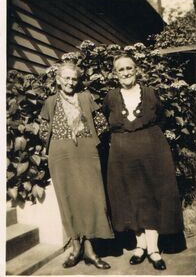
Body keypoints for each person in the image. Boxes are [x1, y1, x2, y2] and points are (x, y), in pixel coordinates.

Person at [102, 54, 184, 270]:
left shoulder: (149, 93)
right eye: (121, 69)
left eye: (129, 68)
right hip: (122, 155)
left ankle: (154, 249)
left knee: (152, 195)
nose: (126, 72)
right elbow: (106, 119)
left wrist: (150, 139)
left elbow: (163, 117)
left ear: (136, 69)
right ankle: (140, 246)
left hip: (152, 152)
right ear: (115, 73)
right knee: (131, 196)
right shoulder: (110, 97)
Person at [39, 62, 114, 269]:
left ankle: (91, 250)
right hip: (60, 154)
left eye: (74, 78)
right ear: (58, 79)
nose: (70, 82)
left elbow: (101, 125)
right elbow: (44, 131)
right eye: (66, 78)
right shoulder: (50, 102)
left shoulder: (86, 98)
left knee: (92, 198)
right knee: (67, 199)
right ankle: (75, 248)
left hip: (87, 152)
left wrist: (86, 138)